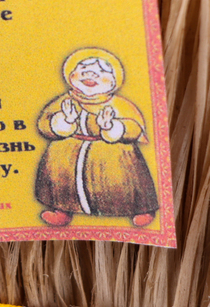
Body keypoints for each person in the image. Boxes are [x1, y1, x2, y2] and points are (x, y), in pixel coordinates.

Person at [35, 48, 159, 228]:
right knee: (61, 184)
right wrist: (64, 121)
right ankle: (62, 211)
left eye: (102, 70)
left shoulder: (119, 104)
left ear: (115, 80)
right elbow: (44, 124)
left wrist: (111, 126)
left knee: (125, 184)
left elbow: (133, 128)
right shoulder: (65, 101)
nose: (90, 73)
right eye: (83, 68)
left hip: (111, 156)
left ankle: (141, 209)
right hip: (66, 153)